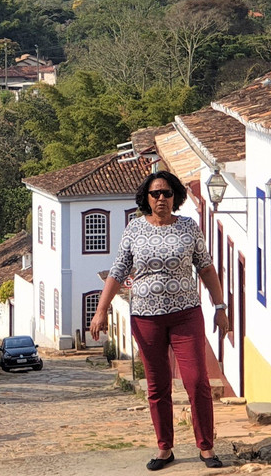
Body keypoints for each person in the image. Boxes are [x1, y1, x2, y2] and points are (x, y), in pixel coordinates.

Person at [89, 170, 229, 471]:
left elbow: (205, 268)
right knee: (158, 384)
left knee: (196, 381)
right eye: (156, 194)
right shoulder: (134, 229)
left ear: (175, 196)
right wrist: (101, 310)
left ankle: (206, 447)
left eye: (167, 193)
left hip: (186, 315)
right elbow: (117, 271)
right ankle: (165, 448)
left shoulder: (189, 227)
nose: (162, 198)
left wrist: (220, 306)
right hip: (146, 318)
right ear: (147, 198)